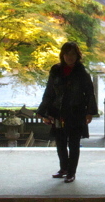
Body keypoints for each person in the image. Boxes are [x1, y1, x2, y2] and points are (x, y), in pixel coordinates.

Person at [36, 41, 99, 183]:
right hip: (58, 112)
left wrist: (89, 112)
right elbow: (49, 92)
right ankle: (63, 168)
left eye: (73, 54)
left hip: (76, 113)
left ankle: (71, 172)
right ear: (62, 55)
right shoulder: (55, 70)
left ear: (77, 56)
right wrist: (43, 111)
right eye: (67, 54)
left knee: (74, 143)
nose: (70, 57)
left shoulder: (82, 73)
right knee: (60, 142)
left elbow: (89, 93)